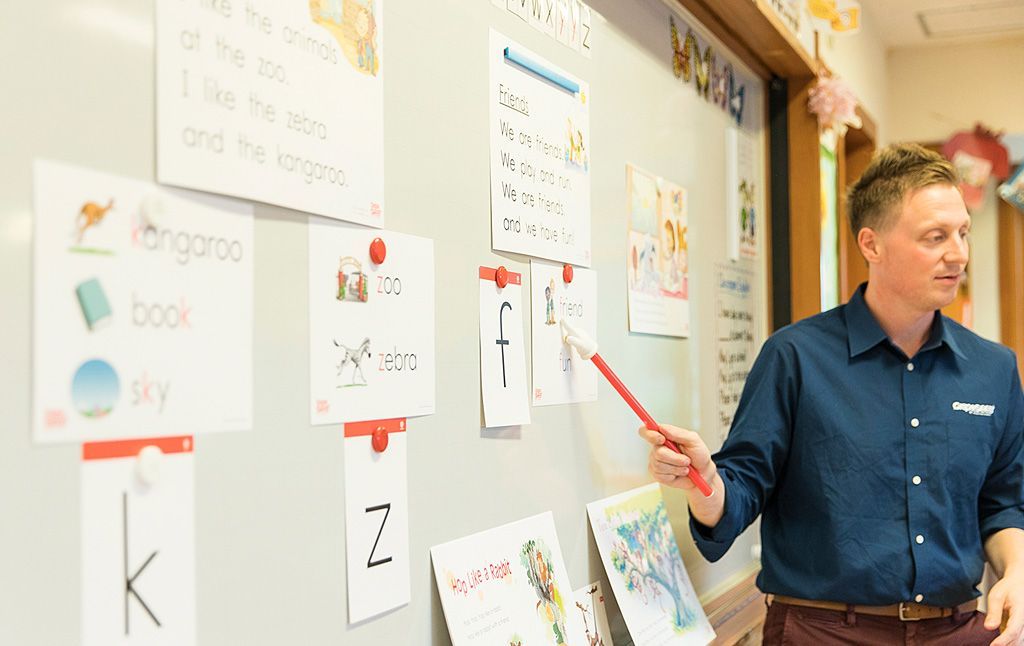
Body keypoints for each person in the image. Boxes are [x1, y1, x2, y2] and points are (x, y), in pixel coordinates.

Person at [641, 144, 1024, 645]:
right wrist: (703, 480)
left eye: (962, 232)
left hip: (959, 630)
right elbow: (738, 495)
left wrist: (1016, 573)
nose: (958, 253)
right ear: (871, 245)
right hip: (821, 631)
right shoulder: (794, 357)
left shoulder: (993, 369)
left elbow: (1003, 504)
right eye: (935, 237)